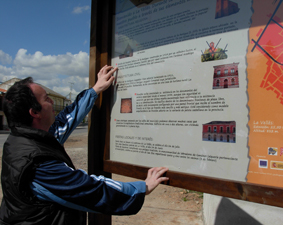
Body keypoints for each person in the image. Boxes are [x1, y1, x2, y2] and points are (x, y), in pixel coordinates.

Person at [0, 65, 169, 224]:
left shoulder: (25, 137)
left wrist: (95, 90)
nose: (52, 102)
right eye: (46, 99)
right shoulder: (37, 164)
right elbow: (88, 189)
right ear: (35, 112)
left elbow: (65, 121)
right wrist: (141, 188)